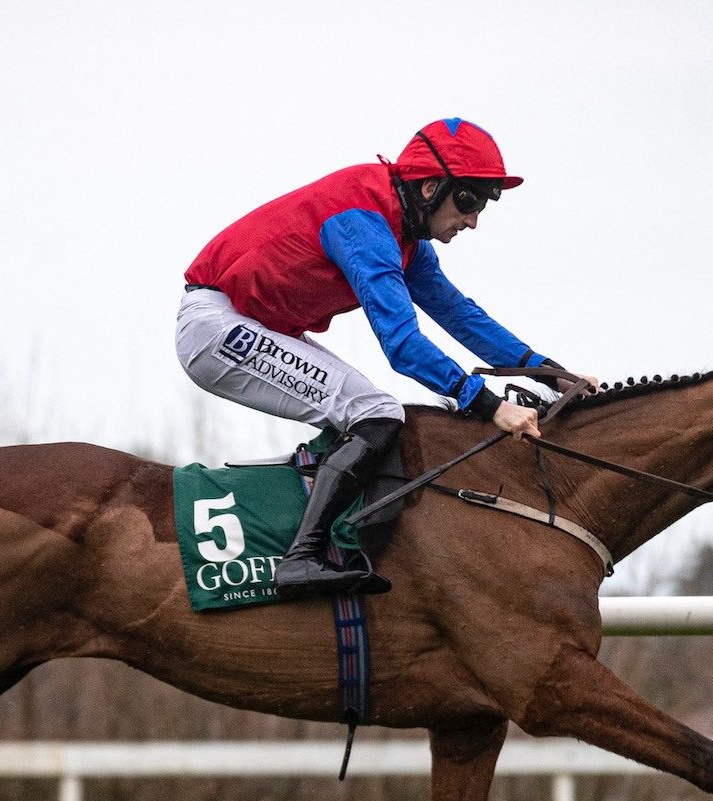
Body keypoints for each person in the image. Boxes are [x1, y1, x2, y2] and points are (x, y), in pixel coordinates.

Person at [176, 117, 594, 597]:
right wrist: (487, 404)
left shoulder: (404, 235)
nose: (474, 220)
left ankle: (313, 536)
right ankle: (301, 559)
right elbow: (402, 345)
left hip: (250, 325)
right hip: (218, 327)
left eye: (483, 205)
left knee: (371, 413)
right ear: (431, 187)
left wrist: (549, 373)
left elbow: (459, 314)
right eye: (469, 201)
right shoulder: (363, 221)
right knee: (376, 413)